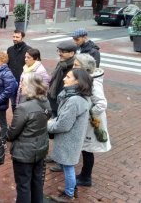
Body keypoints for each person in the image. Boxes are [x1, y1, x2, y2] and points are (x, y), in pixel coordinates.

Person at [48, 69, 92, 202]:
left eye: (68, 77)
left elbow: (63, 124)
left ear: (77, 81)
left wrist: (48, 124)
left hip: (69, 139)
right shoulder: (81, 96)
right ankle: (71, 188)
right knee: (68, 166)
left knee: (68, 167)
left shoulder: (74, 100)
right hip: (73, 138)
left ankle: (69, 194)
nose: (64, 79)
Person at [6, 73, 52, 203]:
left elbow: (12, 134)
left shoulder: (23, 108)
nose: (21, 86)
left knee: (23, 185)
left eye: (24, 83)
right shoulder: (45, 101)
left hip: (24, 152)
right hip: (41, 148)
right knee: (37, 182)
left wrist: (6, 134)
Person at [73, 54, 111, 187]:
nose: (73, 67)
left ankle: (86, 177)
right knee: (85, 148)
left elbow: (101, 103)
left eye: (76, 65)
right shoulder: (87, 79)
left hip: (93, 122)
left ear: (85, 68)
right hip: (89, 120)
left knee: (88, 149)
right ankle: (84, 175)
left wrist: (89, 114)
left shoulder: (94, 83)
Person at [46, 41, 77, 171]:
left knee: (62, 133)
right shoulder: (62, 64)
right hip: (55, 102)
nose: (60, 54)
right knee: (55, 132)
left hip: (63, 103)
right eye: (59, 51)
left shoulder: (73, 67)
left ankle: (62, 161)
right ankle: (55, 155)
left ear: (72, 53)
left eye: (63, 52)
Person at [7, 30, 32, 111]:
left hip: (23, 83)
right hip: (12, 82)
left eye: (17, 37)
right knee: (13, 104)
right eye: (13, 37)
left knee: (22, 105)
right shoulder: (10, 49)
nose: (15, 39)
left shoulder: (29, 50)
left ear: (22, 38)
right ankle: (15, 121)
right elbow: (8, 64)